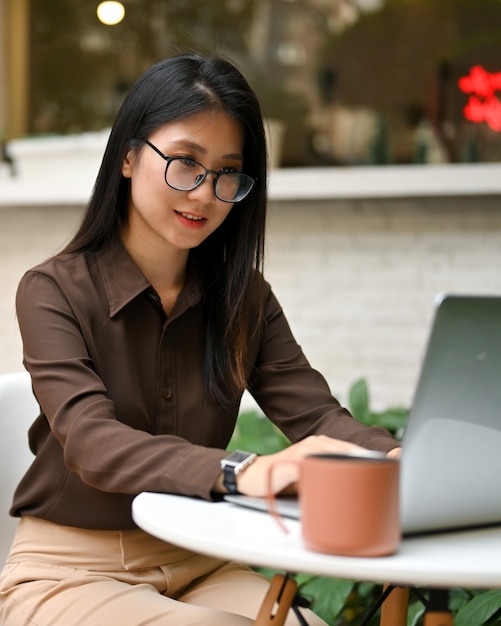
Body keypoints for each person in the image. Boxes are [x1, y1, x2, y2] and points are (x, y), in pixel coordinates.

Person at [0, 52, 400, 626]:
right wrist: (243, 471)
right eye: (186, 162)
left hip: (201, 560)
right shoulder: (51, 290)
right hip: (72, 570)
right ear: (130, 158)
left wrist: (395, 458)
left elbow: (317, 417)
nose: (206, 194)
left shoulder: (245, 299)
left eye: (227, 172)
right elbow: (91, 441)